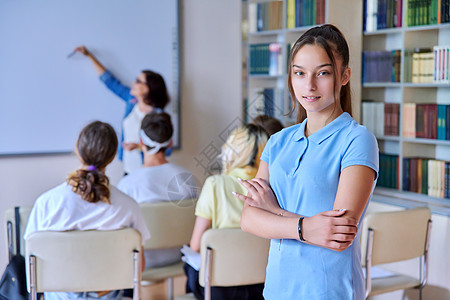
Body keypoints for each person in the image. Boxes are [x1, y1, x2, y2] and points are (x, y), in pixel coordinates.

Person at [235, 24, 379, 300]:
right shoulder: (277, 141)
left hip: (329, 291)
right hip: (278, 289)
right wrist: (306, 227)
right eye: (299, 73)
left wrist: (273, 211)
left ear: (344, 75)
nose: (309, 85)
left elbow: (337, 235)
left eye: (322, 73)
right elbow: (249, 219)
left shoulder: (357, 140)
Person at [24, 121, 150, 300]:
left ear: (78, 149)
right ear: (113, 156)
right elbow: (138, 267)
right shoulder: (128, 206)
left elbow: (31, 267)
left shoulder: (47, 203)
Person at [184, 124, 268, 300]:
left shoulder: (215, 184)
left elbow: (196, 245)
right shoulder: (270, 186)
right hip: (262, 286)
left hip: (219, 288)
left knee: (188, 265)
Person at [118, 111, 198, 268]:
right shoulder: (187, 179)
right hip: (179, 255)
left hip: (141, 260)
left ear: (141, 140)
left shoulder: (127, 185)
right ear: (170, 143)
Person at [73, 45, 170, 175]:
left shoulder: (159, 116)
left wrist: (139, 147)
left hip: (148, 171)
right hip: (128, 169)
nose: (133, 83)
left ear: (148, 88)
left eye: (138, 81)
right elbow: (110, 81)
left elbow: (166, 149)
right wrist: (90, 56)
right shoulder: (131, 101)